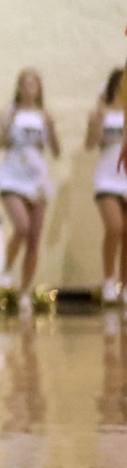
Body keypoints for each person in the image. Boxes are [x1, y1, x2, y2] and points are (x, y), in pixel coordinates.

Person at [0, 68, 59, 312]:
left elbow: (56, 150)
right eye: (25, 83)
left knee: (34, 239)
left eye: (34, 83)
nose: (30, 87)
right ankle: (7, 268)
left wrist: (51, 128)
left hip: (37, 178)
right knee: (22, 226)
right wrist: (7, 126)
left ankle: (25, 291)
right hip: (12, 176)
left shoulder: (44, 115)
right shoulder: (8, 113)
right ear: (18, 86)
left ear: (39, 88)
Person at [94, 69, 127, 303]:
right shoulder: (102, 110)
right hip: (107, 176)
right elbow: (90, 143)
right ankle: (108, 280)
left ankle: (125, 285)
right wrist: (95, 121)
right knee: (114, 227)